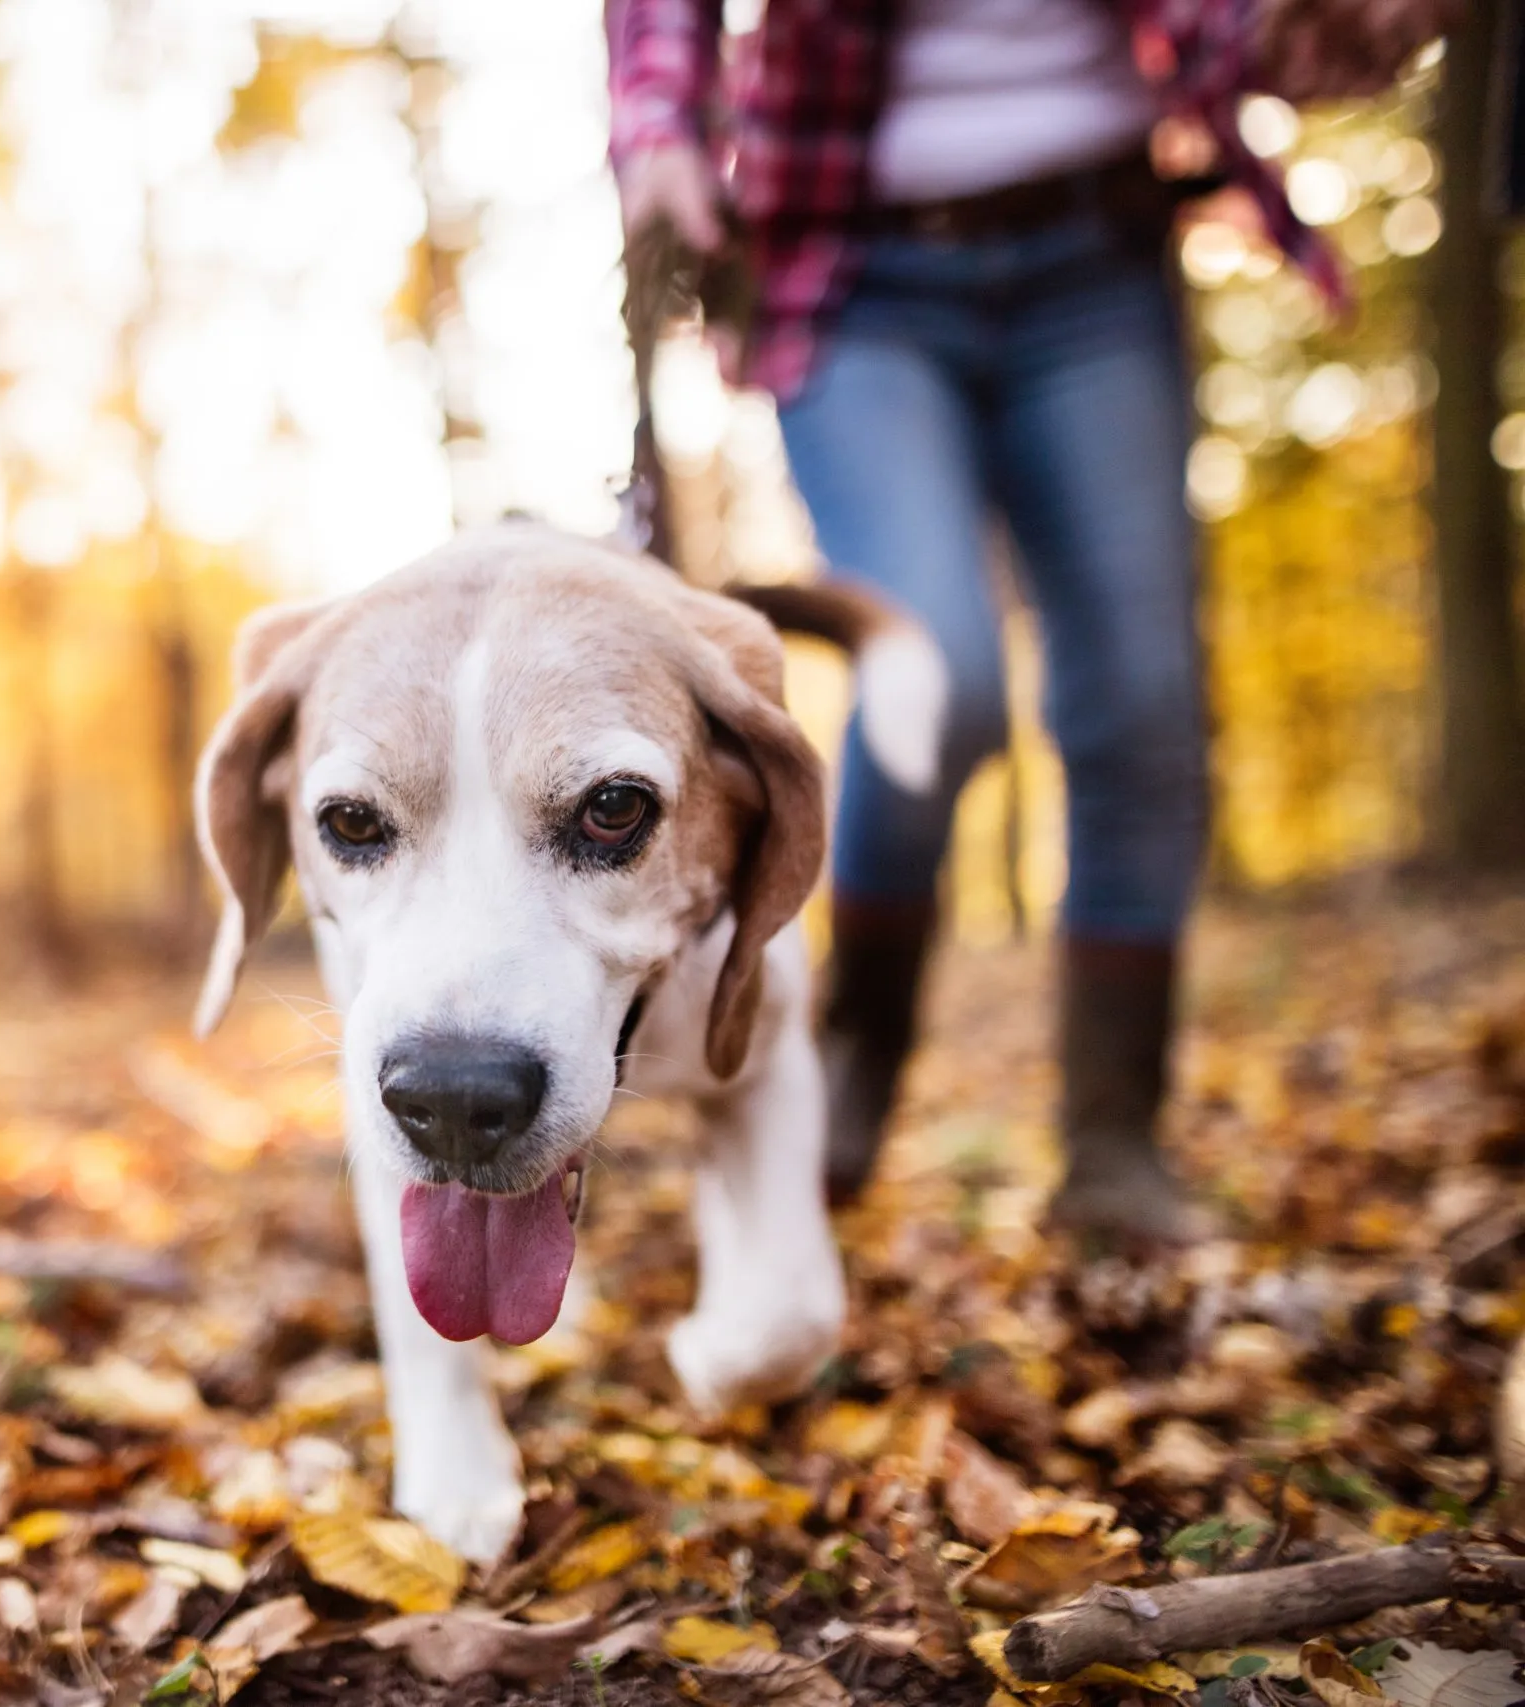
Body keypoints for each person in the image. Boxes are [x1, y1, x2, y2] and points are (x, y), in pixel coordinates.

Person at [604, 0, 1436, 1237]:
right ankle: (854, 1052)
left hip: (1096, 253)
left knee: (1142, 701)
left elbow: (1293, 42)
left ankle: (1113, 1144)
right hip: (849, 267)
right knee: (934, 677)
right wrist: (660, 129)